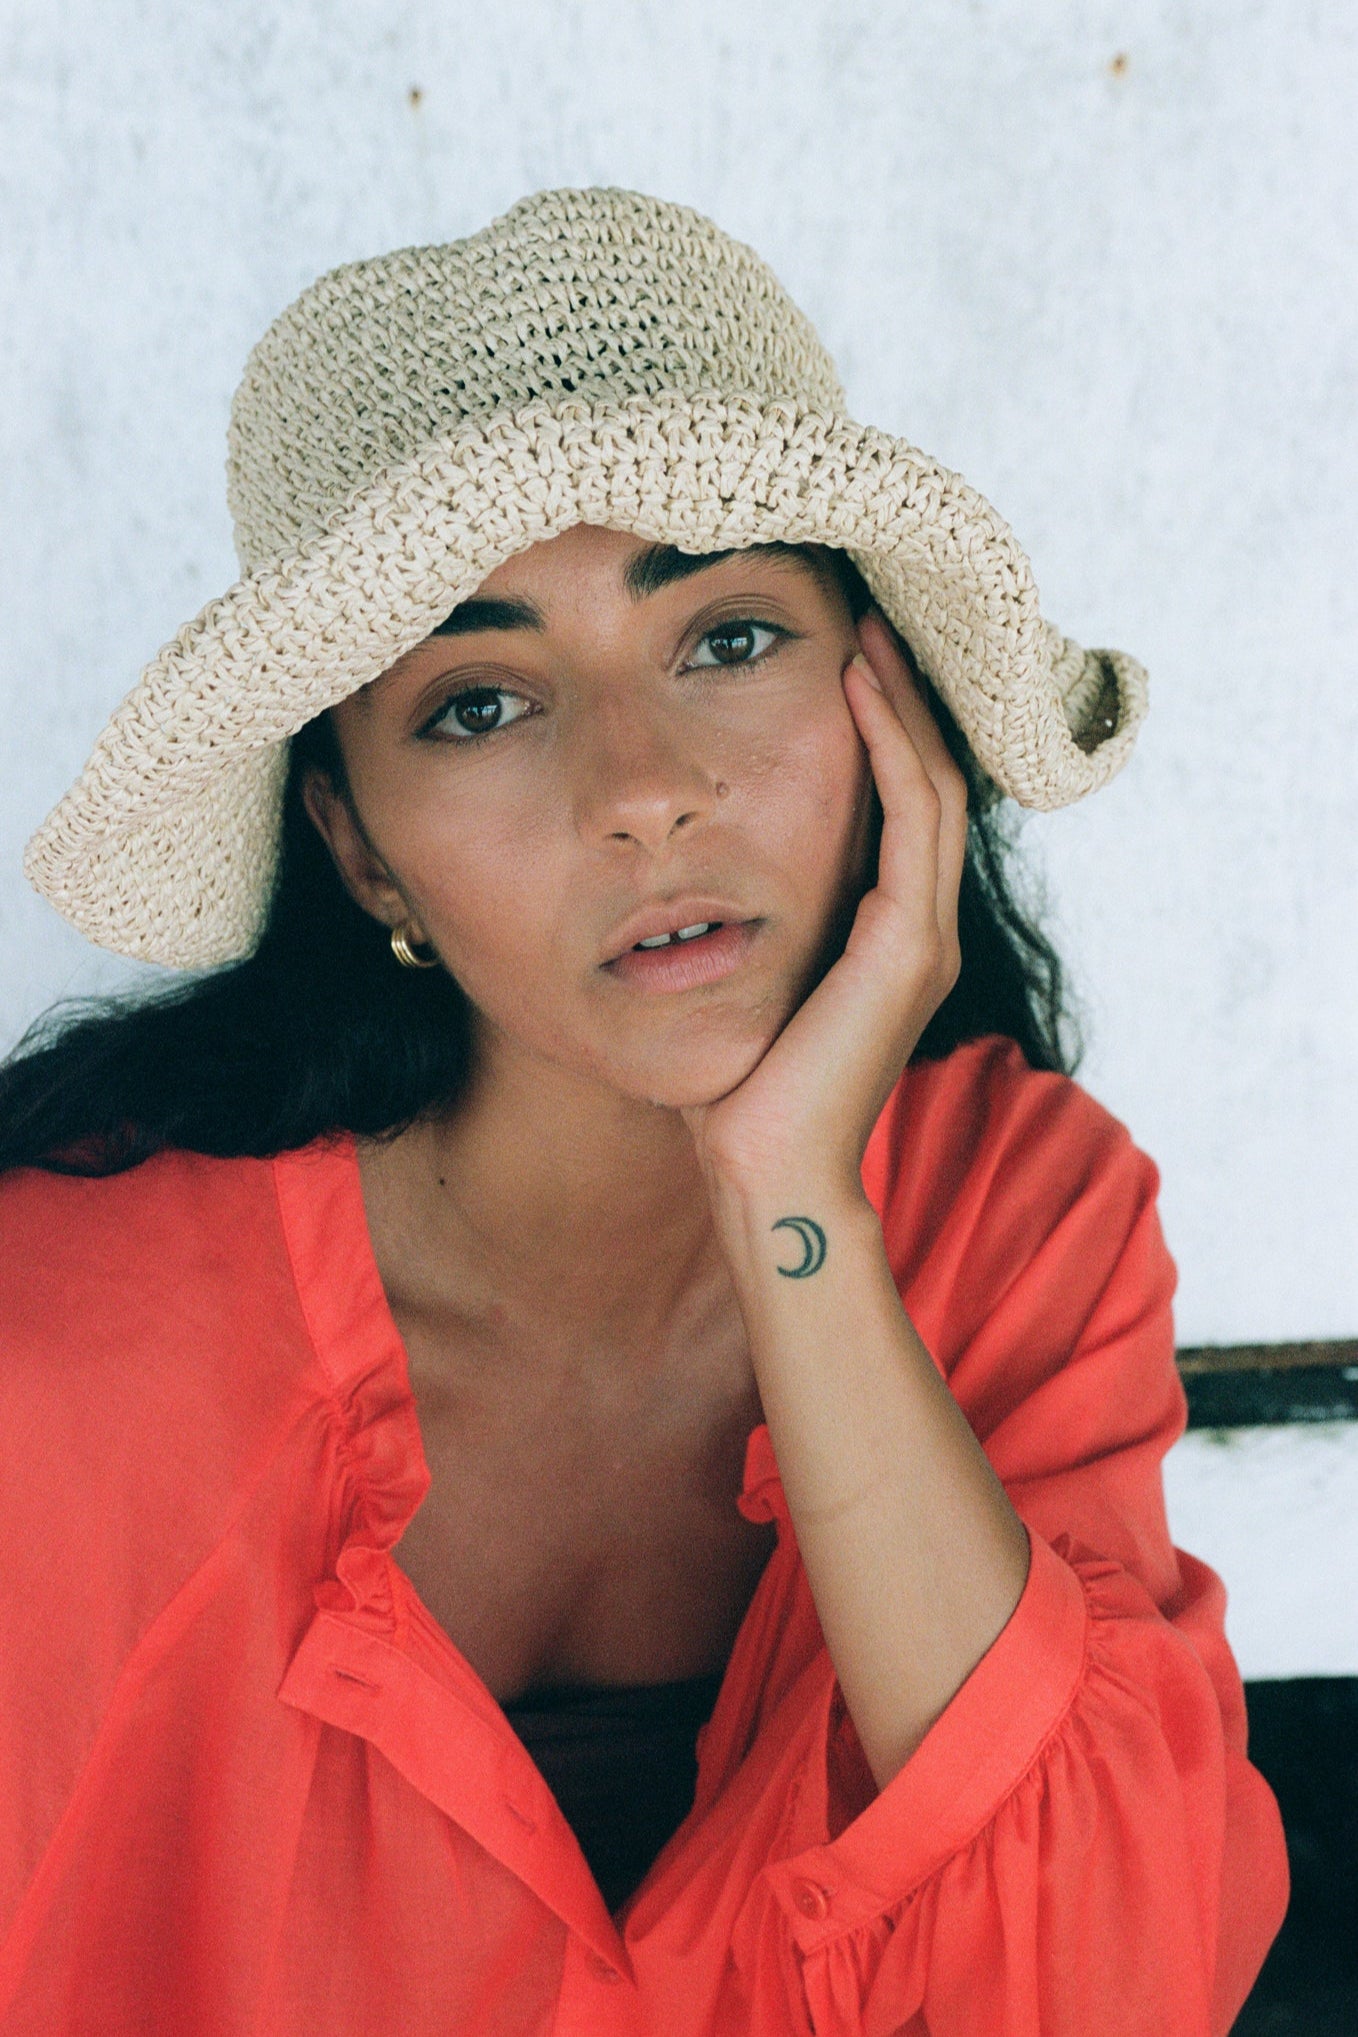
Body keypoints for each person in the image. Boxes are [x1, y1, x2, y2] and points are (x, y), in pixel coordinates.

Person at [0, 187, 1286, 2035]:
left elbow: (1110, 1973)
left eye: (728, 637)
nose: (644, 787)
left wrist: (793, 1199)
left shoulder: (1015, 1208)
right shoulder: (58, 1345)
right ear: (355, 842)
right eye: (479, 703)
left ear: (884, 703)